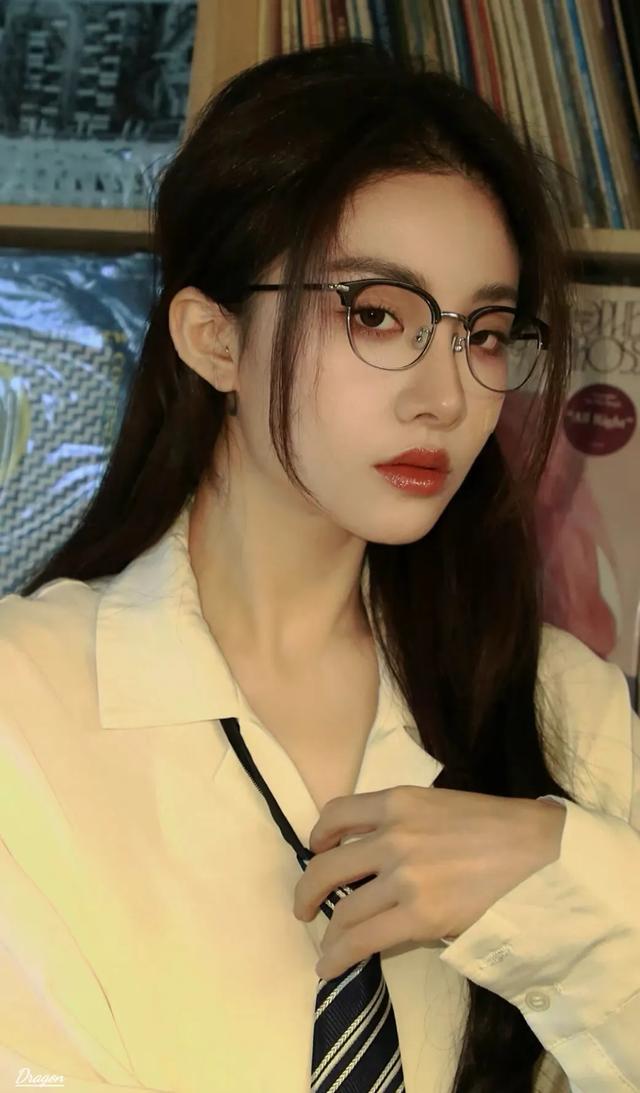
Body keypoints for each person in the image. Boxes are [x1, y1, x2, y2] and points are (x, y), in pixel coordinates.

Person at [1, 40, 638, 1093]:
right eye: (376, 314)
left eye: (484, 333)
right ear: (214, 339)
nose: (446, 395)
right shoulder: (24, 704)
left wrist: (567, 879)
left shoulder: (568, 709)